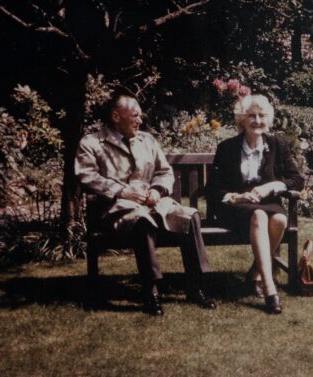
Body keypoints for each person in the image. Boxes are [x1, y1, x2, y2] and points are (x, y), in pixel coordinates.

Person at [75, 95, 216, 315]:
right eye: (135, 115)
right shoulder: (91, 143)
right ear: (115, 116)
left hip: (153, 204)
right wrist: (122, 191)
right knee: (142, 222)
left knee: (190, 215)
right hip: (115, 209)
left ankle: (196, 286)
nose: (140, 120)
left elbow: (164, 171)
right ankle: (151, 291)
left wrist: (157, 190)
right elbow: (86, 176)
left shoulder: (147, 140)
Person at [208, 94, 304, 314]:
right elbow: (213, 189)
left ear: (268, 119)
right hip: (236, 207)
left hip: (267, 202)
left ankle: (254, 273)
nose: (257, 121)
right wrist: (236, 197)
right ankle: (270, 289)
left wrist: (271, 187)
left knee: (280, 218)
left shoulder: (277, 144)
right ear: (242, 119)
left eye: (262, 116)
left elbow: (297, 179)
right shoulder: (227, 148)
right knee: (260, 216)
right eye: (251, 116)